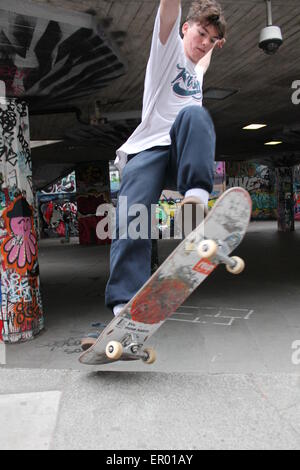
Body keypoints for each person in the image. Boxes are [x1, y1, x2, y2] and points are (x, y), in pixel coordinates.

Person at [81, 0, 226, 350]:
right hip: (148, 149)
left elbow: (206, 57)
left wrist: (215, 43)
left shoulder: (198, 68)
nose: (203, 43)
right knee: (131, 214)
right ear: (184, 30)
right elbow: (168, 9)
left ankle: (194, 201)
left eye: (211, 39)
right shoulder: (168, 50)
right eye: (200, 34)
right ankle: (123, 310)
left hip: (179, 156)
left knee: (196, 116)